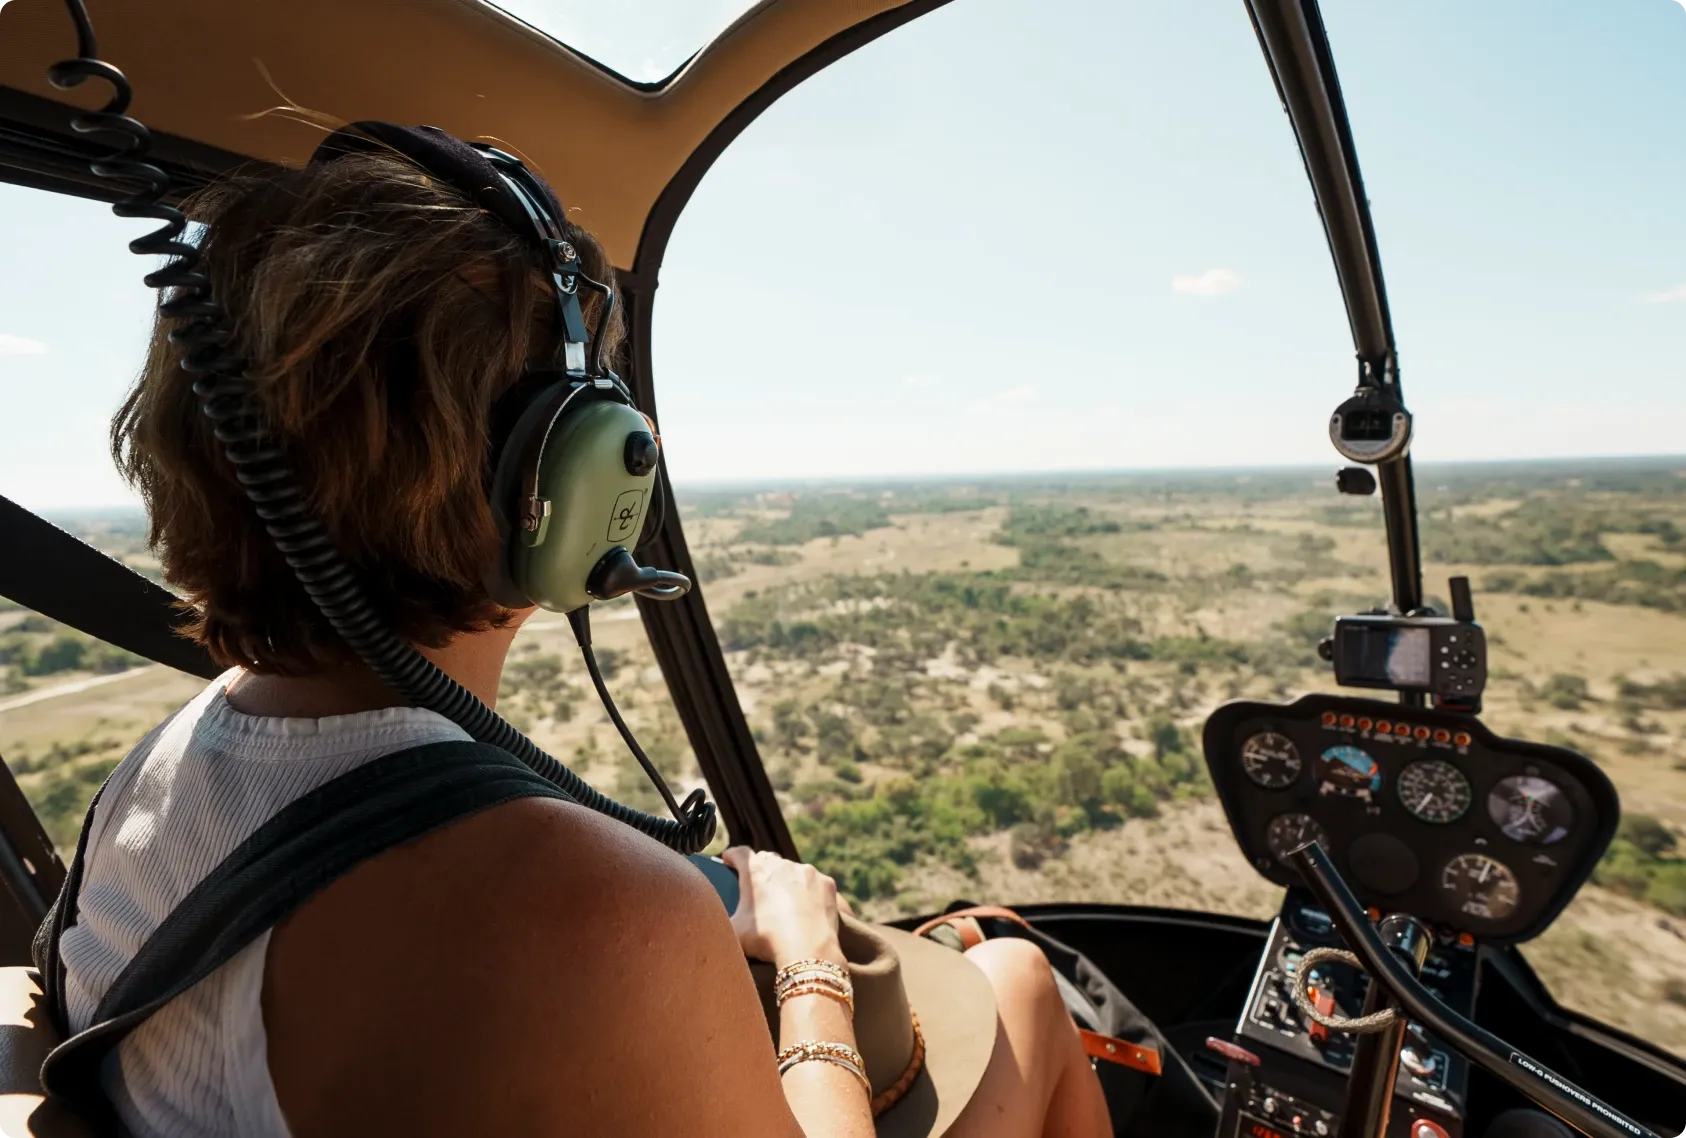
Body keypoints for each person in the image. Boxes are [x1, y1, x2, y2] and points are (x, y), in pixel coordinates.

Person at [53, 127, 1115, 1138]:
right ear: (567, 467)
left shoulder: (154, 777)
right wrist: (807, 965)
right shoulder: (584, 904)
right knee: (1020, 981)